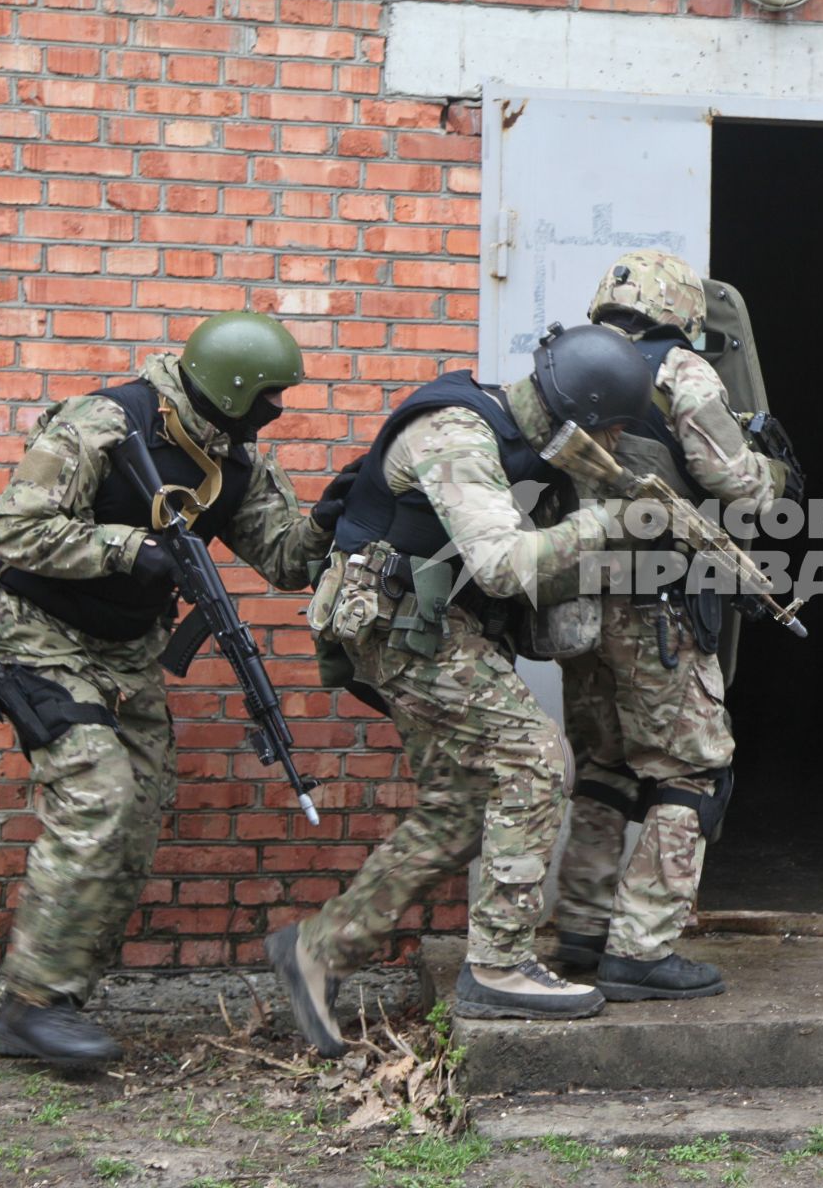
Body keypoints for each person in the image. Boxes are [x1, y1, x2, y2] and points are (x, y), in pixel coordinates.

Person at [265, 325, 653, 1053]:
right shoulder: (458, 433)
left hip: (430, 626)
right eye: (612, 428)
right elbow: (504, 565)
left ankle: (318, 951)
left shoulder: (524, 441)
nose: (615, 441)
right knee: (538, 762)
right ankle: (501, 965)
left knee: (457, 808)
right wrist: (602, 523)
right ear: (581, 414)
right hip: (399, 625)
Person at [0, 312, 337, 1068]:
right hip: (36, 637)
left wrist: (340, 517)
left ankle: (62, 999)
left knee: (138, 808)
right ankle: (32, 1004)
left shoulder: (234, 457)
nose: (275, 411)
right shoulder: (107, 423)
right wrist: (123, 548)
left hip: (126, 653)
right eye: (268, 396)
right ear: (231, 387)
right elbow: (13, 526)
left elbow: (285, 557)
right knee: (99, 793)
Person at [551, 251, 790, 1002]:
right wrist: (775, 470)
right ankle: (643, 948)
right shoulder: (681, 371)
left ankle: (583, 930)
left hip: (578, 603)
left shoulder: (563, 369)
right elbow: (736, 484)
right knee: (691, 770)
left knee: (605, 765)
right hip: (660, 608)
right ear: (679, 308)